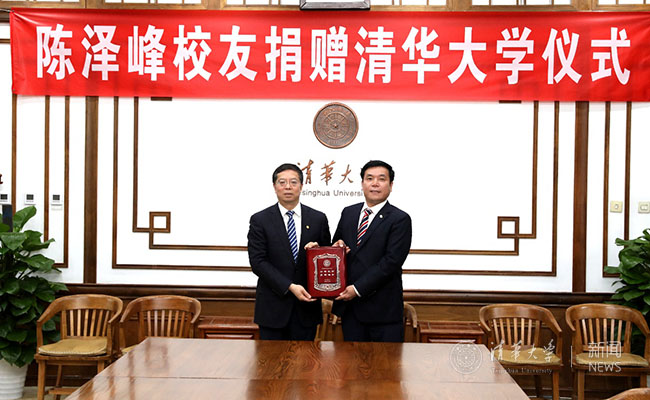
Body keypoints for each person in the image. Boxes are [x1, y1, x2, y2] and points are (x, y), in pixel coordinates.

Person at [247, 163, 331, 340]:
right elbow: (258, 262)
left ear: (301, 186)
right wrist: (289, 286)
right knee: (270, 358)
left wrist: (318, 251)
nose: (288, 187)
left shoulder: (318, 219)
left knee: (306, 358)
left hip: (307, 308)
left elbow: (327, 257)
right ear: (274, 186)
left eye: (293, 182)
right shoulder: (260, 220)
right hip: (272, 309)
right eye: (282, 182)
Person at [332, 160, 412, 342]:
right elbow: (336, 244)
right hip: (351, 309)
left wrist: (357, 289)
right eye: (369, 178)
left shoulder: (400, 219)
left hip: (383, 312)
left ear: (391, 185)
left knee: (386, 361)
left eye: (381, 179)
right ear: (362, 183)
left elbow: (391, 262)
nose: (375, 183)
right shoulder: (349, 213)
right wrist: (338, 245)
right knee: (350, 360)